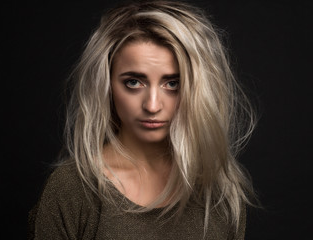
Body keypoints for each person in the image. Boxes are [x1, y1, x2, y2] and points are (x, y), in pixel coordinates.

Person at [29, 0, 257, 239]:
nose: (152, 105)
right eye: (134, 82)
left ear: (197, 90)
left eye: (172, 84)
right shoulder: (72, 189)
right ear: (106, 85)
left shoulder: (221, 192)